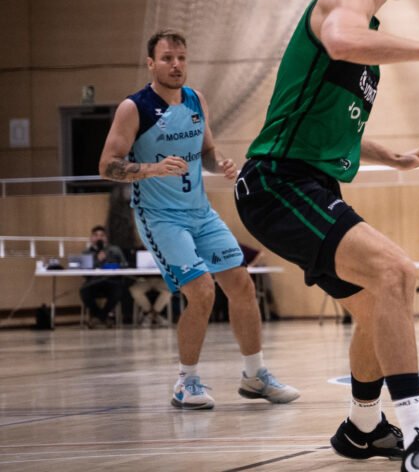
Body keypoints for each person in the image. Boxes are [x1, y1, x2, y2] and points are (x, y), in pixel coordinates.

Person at [234, 0, 419, 471]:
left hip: (304, 180)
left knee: (377, 302)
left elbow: (332, 121)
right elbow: (342, 42)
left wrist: (392, 155)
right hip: (278, 182)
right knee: (399, 271)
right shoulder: (345, 1)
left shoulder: (361, 21)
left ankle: (362, 428)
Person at [99, 29, 300, 410]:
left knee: (241, 284)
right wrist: (150, 170)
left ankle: (255, 376)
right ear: (151, 63)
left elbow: (205, 150)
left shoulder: (195, 100)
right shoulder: (134, 108)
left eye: (181, 58)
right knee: (203, 291)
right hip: (160, 217)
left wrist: (218, 162)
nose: (176, 65)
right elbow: (107, 166)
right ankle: (185, 383)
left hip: (201, 212)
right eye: (167, 58)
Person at [79, 225, 129, 328]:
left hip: (111, 281)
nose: (99, 238)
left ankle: (98, 317)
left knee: (118, 290)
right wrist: (97, 260)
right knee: (84, 291)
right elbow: (83, 272)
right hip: (93, 282)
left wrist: (116, 265)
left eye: (102, 235)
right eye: (96, 235)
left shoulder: (114, 249)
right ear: (91, 238)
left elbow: (125, 264)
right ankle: (104, 317)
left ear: (106, 237)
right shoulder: (86, 253)